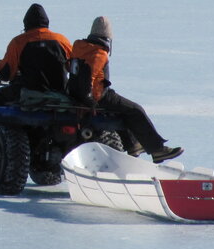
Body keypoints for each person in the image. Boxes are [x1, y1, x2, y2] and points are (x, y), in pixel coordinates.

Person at [68, 16, 183, 164]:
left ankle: (133, 144)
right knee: (135, 110)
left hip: (75, 94)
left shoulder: (79, 46)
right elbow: (90, 77)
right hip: (98, 96)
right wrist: (88, 98)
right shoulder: (99, 53)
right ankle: (157, 150)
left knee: (122, 110)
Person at [0, 3, 73, 104]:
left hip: (30, 93)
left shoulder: (18, 42)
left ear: (26, 23)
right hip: (60, 93)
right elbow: (74, 67)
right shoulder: (62, 40)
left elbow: (6, 73)